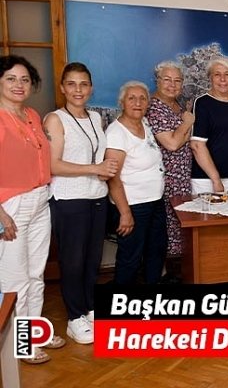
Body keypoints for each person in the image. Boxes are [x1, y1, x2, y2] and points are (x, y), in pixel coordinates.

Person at [44, 62, 117, 345]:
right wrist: (94, 169)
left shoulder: (96, 117)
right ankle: (74, 318)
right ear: (63, 88)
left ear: (91, 88)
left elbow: (98, 157)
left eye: (84, 84)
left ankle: (89, 308)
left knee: (92, 259)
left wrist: (102, 171)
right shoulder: (55, 119)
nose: (78, 90)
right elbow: (53, 165)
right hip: (69, 198)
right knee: (73, 261)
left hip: (96, 197)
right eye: (72, 84)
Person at [0, 55, 65, 364]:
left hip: (40, 199)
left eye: (25, 79)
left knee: (36, 273)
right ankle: (21, 344)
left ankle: (35, 332)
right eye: (11, 78)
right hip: (11, 206)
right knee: (15, 279)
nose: (19, 84)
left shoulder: (32, 115)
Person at [105, 81, 167, 284]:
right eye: (131, 98)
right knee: (130, 257)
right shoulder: (116, 133)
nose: (137, 103)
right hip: (133, 205)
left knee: (156, 251)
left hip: (154, 201)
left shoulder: (144, 123)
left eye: (142, 98)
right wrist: (125, 213)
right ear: (122, 102)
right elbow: (113, 178)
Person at [145, 61, 194, 282]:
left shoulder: (177, 106)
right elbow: (172, 144)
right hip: (165, 178)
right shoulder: (153, 107)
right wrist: (187, 122)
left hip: (181, 176)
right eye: (167, 80)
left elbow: (182, 138)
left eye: (177, 80)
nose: (172, 85)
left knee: (178, 224)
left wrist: (183, 127)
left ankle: (173, 272)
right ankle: (161, 275)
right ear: (157, 81)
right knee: (163, 227)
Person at [190, 57, 228, 194]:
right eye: (217, 74)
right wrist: (216, 180)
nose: (223, 79)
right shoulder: (202, 103)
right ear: (210, 78)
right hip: (207, 179)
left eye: (227, 74)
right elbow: (197, 145)